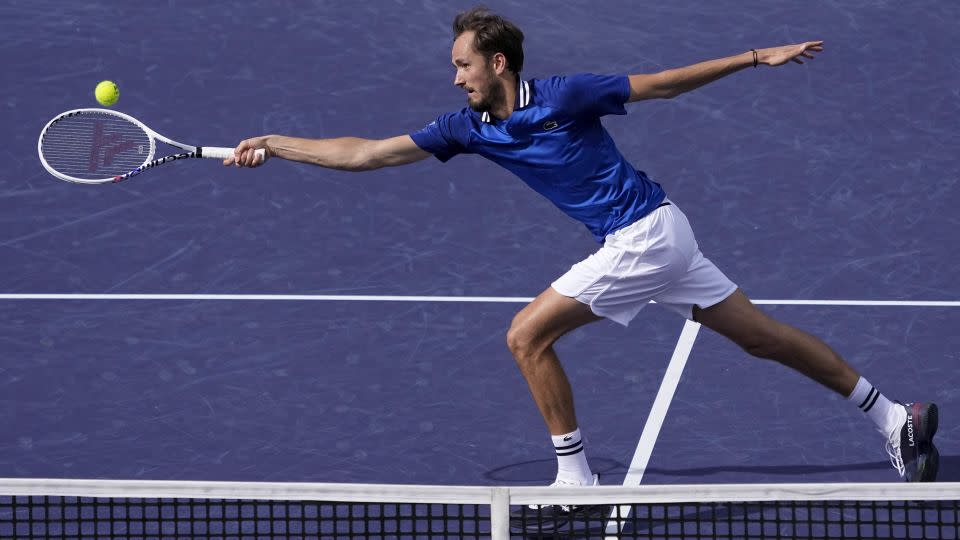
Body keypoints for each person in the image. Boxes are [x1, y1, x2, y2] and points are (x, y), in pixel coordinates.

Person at [226, 5, 938, 530]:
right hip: (666, 232)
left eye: (462, 64)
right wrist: (276, 143)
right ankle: (891, 417)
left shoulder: (565, 96)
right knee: (761, 336)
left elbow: (660, 84)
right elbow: (366, 153)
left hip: (644, 238)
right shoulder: (466, 129)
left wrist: (753, 56)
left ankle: (577, 481)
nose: (455, 78)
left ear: (497, 63)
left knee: (526, 337)